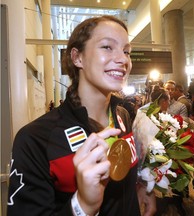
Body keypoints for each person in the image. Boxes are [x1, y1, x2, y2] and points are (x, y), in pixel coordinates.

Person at [7, 16, 156, 216]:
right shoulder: (35, 139)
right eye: (107, 47)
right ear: (77, 57)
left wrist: (140, 185)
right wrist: (83, 206)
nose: (123, 60)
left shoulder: (122, 116)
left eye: (126, 51)